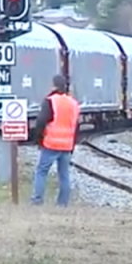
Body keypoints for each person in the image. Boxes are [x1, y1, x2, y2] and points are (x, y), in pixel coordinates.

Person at [30, 74, 80, 206]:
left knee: (41, 172)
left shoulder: (50, 101)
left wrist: (38, 139)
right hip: (67, 145)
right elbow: (76, 126)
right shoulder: (73, 103)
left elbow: (41, 121)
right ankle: (63, 203)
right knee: (64, 175)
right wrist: (73, 144)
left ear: (53, 85)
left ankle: (37, 200)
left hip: (51, 143)